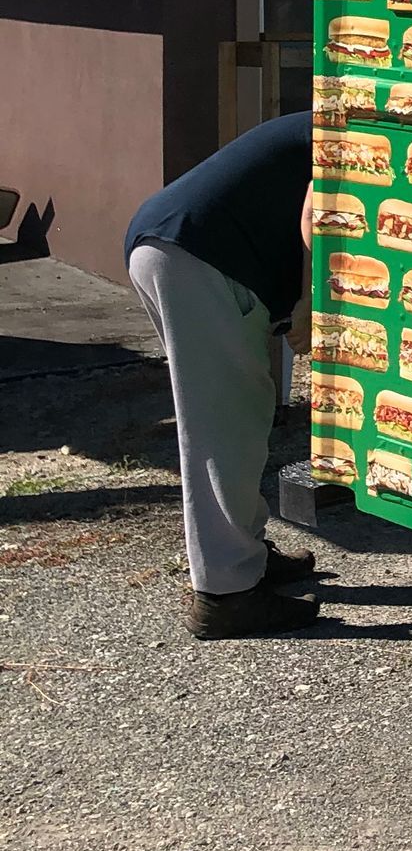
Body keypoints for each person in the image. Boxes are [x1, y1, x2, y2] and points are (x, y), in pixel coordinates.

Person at [125, 111, 322, 639]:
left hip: (173, 242)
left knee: (233, 413)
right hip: (203, 255)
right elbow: (317, 215)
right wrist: (309, 302)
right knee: (223, 425)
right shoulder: (359, 126)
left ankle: (245, 555)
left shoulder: (326, 116)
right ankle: (226, 596)